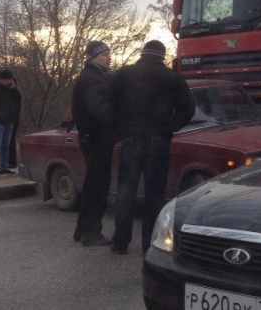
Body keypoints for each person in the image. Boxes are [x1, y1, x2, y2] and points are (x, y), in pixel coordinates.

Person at [109, 40, 195, 255]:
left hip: (130, 138)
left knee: (125, 193)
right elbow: (188, 109)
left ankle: (120, 242)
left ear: (142, 53)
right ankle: (150, 245)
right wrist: (170, 128)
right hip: (158, 141)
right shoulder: (172, 79)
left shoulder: (124, 74)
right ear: (162, 55)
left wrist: (120, 129)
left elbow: (110, 104)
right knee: (154, 196)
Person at [71, 41, 115, 247]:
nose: (109, 57)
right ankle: (91, 232)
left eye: (109, 53)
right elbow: (98, 111)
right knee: (97, 187)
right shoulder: (91, 79)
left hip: (95, 137)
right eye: (104, 54)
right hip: (96, 138)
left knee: (92, 185)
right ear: (92, 57)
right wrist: (119, 121)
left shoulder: (97, 76)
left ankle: (82, 229)